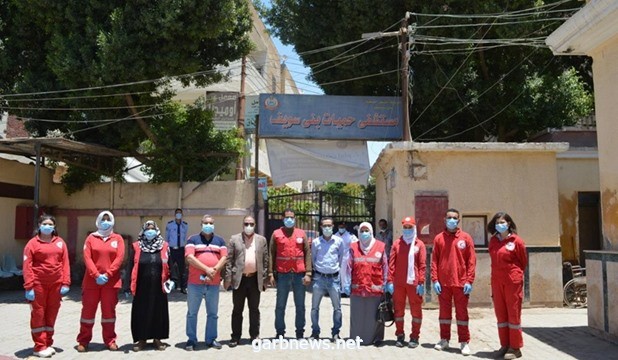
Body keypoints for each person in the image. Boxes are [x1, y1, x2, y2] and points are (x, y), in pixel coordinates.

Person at [76, 211, 125, 352]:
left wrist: (108, 274)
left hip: (111, 283)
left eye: (108, 219)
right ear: (98, 221)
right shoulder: (91, 238)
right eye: (103, 219)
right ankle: (83, 341)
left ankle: (110, 340)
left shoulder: (118, 238)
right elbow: (87, 257)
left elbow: (119, 258)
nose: (105, 222)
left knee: (109, 313)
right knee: (87, 313)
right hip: (92, 283)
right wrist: (96, 275)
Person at [23, 214, 71, 358]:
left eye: (51, 224)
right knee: (38, 314)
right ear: (39, 225)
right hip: (38, 285)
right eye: (45, 224)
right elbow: (27, 265)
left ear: (54, 227)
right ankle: (39, 346)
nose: (48, 226)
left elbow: (65, 263)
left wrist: (66, 282)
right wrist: (29, 286)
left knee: (51, 314)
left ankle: (48, 342)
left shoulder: (60, 242)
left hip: (56, 285)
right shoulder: (32, 244)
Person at [431, 208, 476, 356]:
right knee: (444, 314)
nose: (451, 220)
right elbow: (434, 261)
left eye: (454, 218)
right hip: (443, 284)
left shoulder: (466, 238)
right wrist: (435, 279)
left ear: (458, 220)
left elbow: (471, 261)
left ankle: (464, 342)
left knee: (462, 314)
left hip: (461, 283)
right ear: (444, 220)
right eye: (449, 217)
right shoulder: (438, 238)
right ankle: (444, 339)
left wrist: (469, 280)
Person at [223, 215, 269, 347]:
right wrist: (227, 279)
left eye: (251, 224)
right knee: (237, 309)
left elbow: (265, 260)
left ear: (255, 225)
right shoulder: (234, 239)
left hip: (255, 279)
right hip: (239, 279)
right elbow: (229, 260)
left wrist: (265, 279)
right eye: (246, 224)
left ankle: (254, 335)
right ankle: (235, 337)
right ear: (242, 225)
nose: (249, 226)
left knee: (254, 309)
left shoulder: (261, 240)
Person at [184, 214, 227, 351]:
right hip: (195, 283)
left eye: (210, 223)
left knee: (213, 313)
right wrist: (207, 269)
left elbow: (224, 258)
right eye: (205, 223)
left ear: (214, 225)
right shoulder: (193, 239)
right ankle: (191, 339)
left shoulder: (220, 240)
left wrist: (214, 270)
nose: (208, 225)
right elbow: (190, 258)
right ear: (201, 224)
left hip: (213, 283)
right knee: (192, 313)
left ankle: (211, 339)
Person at [488, 212, 527, 360]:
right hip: (497, 281)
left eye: (503, 222)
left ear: (509, 223)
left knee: (513, 313)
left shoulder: (517, 241)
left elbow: (523, 262)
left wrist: (515, 275)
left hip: (512, 281)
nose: (500, 225)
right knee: (501, 314)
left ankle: (515, 347)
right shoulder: (493, 241)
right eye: (498, 222)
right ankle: (504, 344)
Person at [130, 220, 173, 352]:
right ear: (143, 230)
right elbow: (130, 266)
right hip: (141, 287)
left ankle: (157, 339)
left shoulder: (164, 246)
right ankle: (141, 339)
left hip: (159, 287)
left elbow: (171, 264)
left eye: (152, 228)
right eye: (147, 228)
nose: (150, 231)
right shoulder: (137, 246)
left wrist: (173, 280)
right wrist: (127, 286)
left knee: (158, 312)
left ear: (157, 230)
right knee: (141, 312)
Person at [268, 208, 312, 339]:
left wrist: (308, 272)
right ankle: (280, 332)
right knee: (280, 305)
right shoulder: (276, 234)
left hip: (299, 274)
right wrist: (270, 273)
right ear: (283, 218)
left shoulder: (301, 233)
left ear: (295, 218)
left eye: (291, 217)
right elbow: (271, 253)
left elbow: (307, 253)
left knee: (300, 305)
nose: (289, 219)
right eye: (287, 217)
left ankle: (300, 332)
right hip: (283, 274)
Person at [344, 221, 388, 346]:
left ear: (371, 232)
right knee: (357, 315)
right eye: (362, 231)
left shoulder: (380, 246)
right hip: (357, 287)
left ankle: (377, 338)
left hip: (375, 288)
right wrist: (346, 283)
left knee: (375, 316)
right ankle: (356, 338)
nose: (364, 233)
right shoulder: (353, 247)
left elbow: (385, 266)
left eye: (366, 231)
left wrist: (386, 283)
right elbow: (348, 266)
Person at [387, 216, 427, 348]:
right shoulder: (397, 244)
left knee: (416, 311)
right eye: (405, 227)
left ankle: (415, 336)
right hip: (398, 283)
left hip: (414, 284)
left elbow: (422, 265)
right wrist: (389, 281)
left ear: (414, 228)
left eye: (410, 227)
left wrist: (421, 282)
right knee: (398, 310)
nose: (407, 230)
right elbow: (391, 264)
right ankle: (400, 335)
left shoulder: (419, 244)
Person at [309, 217, 345, 341]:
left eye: (329, 225)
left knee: (337, 308)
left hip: (334, 279)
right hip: (319, 278)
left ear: (333, 226)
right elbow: (313, 259)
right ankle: (315, 332)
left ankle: (335, 333)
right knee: (314, 308)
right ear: (321, 227)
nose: (327, 228)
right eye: (325, 226)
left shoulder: (339, 241)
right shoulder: (316, 242)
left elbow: (341, 259)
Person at [165, 208, 189, 294]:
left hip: (181, 249)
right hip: (172, 249)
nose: (178, 215)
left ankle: (183, 287)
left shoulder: (185, 225)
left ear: (182, 215)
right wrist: (166, 248)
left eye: (180, 213)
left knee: (182, 269)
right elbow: (167, 237)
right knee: (169, 268)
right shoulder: (170, 225)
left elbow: (185, 237)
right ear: (175, 215)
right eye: (177, 213)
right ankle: (169, 286)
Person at [336, 220, 357, 297]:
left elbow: (355, 246)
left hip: (347, 258)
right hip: (337, 258)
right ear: (338, 227)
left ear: (346, 227)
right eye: (340, 227)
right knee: (338, 275)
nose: (341, 228)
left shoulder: (350, 236)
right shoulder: (335, 235)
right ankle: (340, 290)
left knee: (346, 275)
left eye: (343, 227)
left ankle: (346, 290)